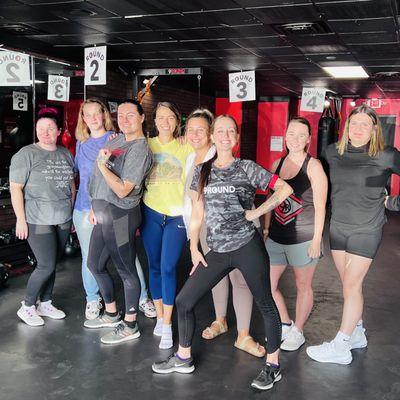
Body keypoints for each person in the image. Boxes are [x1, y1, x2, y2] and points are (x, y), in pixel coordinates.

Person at [152, 115, 293, 391]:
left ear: (236, 139)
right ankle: (183, 356)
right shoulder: (202, 171)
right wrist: (194, 246)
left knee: (265, 302)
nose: (226, 135)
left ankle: (273, 366)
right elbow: (197, 213)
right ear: (213, 137)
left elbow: (284, 189)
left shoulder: (247, 168)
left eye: (231, 131)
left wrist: (257, 211)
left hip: (247, 246)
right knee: (184, 301)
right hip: (216, 248)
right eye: (220, 131)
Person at [307, 104, 400, 364]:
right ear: (347, 127)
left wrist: (393, 203)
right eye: (354, 124)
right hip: (338, 228)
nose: (359, 129)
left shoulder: (386, 155)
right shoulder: (332, 153)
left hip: (367, 228)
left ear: (374, 130)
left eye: (365, 125)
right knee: (349, 286)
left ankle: (341, 345)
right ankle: (357, 333)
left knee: (351, 285)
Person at [183, 108, 264, 357]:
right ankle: (220, 320)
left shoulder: (224, 157)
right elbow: (193, 203)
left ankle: (243, 334)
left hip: (240, 229)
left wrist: (260, 219)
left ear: (210, 134)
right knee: (215, 277)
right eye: (191, 130)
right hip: (209, 227)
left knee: (240, 279)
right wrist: (192, 236)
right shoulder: (190, 160)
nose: (196, 135)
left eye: (201, 130)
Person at [73, 98, 156, 321]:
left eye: (131, 115)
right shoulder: (116, 140)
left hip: (121, 217)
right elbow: (97, 179)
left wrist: (101, 164)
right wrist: (94, 205)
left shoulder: (139, 149)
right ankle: (111, 312)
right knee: (94, 264)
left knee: (125, 267)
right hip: (104, 214)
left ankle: (130, 324)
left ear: (141, 117)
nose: (125, 119)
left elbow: (122, 190)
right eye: (120, 115)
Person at [264, 117, 328, 351]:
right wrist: (267, 228)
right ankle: (285, 322)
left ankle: (298, 330)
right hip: (276, 237)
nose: (296, 139)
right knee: (267, 285)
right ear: (285, 135)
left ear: (309, 139)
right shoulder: (276, 165)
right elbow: (271, 200)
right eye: (292, 133)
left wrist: (317, 240)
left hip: (303, 238)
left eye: (301, 135)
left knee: (303, 286)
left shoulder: (314, 166)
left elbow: (321, 207)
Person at [10, 113, 75, 326]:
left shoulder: (66, 154)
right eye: (40, 128)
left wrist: (72, 213)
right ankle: (27, 306)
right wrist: (21, 219)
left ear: (58, 131)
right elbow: (16, 188)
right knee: (45, 264)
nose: (45, 132)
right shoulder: (26, 154)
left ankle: (45, 302)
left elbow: (71, 186)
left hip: (63, 217)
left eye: (50, 128)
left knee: (53, 263)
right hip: (38, 219)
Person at [141, 102, 193, 349]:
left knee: (168, 266)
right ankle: (160, 317)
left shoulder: (185, 146)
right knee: (154, 266)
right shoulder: (146, 145)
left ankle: (168, 325)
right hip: (150, 211)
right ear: (154, 120)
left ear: (177, 121)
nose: (165, 121)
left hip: (176, 216)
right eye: (160, 117)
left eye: (170, 117)